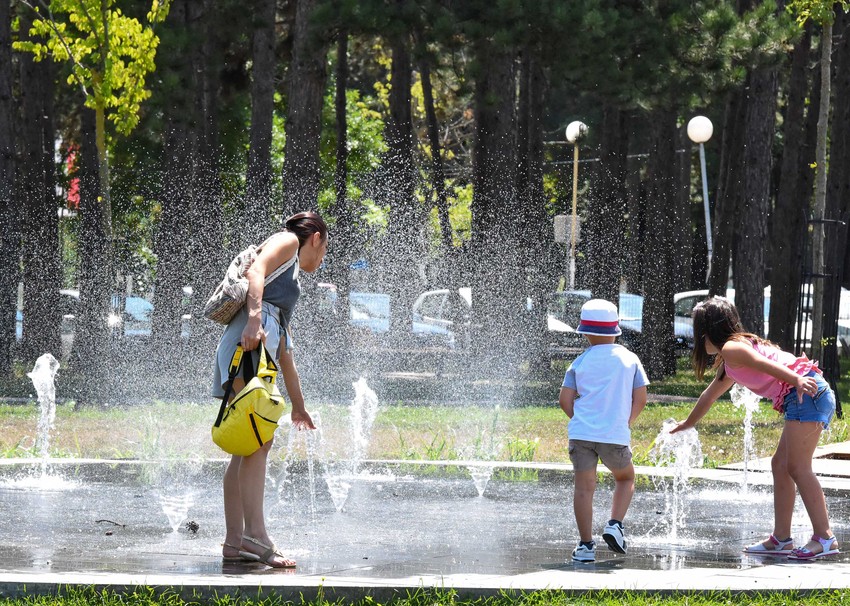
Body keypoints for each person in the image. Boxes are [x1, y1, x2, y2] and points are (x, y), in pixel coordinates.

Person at [671, 296, 839, 560]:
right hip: (801, 394)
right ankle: (781, 538)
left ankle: (825, 537)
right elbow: (709, 395)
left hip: (807, 392)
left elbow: (766, 365)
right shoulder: (731, 358)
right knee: (780, 465)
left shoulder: (732, 349)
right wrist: (688, 423)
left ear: (707, 332)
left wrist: (795, 379)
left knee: (797, 467)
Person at [212, 211, 328, 568]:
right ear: (317, 238)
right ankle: (256, 536)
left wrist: (299, 405)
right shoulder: (289, 241)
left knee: (248, 444)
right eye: (325, 250)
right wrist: (253, 318)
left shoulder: (288, 286)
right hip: (247, 345)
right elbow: (255, 271)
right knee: (259, 440)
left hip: (255, 349)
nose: (322, 260)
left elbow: (286, 352)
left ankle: (235, 542)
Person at [558, 299, 649, 562]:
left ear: (585, 332)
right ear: (616, 330)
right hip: (614, 435)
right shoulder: (630, 359)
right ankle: (614, 524)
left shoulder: (579, 362)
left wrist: (582, 421)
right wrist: (625, 423)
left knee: (584, 489)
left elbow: (565, 400)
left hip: (582, 436)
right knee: (625, 478)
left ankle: (586, 546)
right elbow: (640, 398)